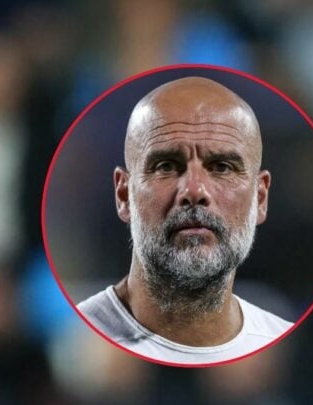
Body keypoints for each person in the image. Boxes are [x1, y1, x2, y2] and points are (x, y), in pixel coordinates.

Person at [77, 76, 293, 365]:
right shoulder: (79, 347)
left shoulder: (278, 344)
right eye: (166, 166)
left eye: (221, 167)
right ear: (124, 194)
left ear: (260, 198)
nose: (194, 190)